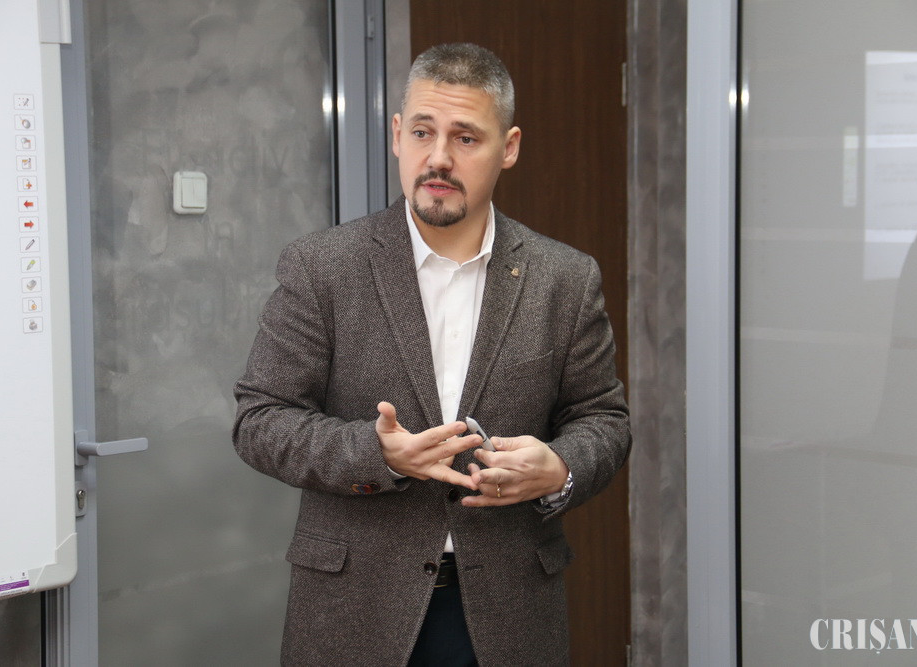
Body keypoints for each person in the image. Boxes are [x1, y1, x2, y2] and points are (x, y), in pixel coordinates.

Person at [233, 42, 630, 666]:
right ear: (397, 135)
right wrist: (376, 453)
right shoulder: (322, 267)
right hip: (354, 609)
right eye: (423, 132)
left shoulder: (565, 279)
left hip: (511, 613)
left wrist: (560, 467)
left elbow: (603, 419)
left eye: (466, 138)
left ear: (509, 147)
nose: (438, 157)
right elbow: (259, 420)